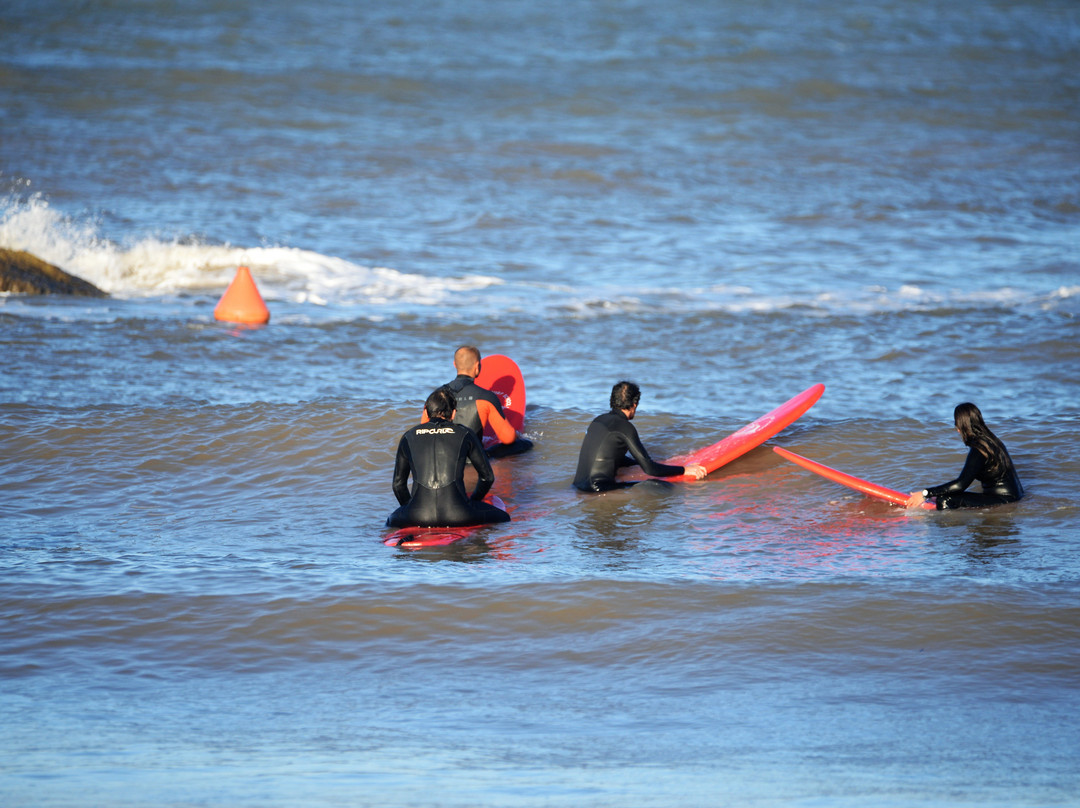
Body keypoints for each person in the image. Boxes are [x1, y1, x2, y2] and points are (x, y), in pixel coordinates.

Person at [388, 386, 511, 528]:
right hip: (459, 515)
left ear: (427, 413)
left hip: (417, 517)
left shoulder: (408, 436)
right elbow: (487, 477)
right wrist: (473, 501)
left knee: (390, 521)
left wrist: (410, 509)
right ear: (453, 413)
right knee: (504, 517)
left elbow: (398, 485)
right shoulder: (465, 434)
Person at [573, 380, 707, 492]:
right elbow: (650, 469)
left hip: (578, 486)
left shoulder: (598, 420)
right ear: (634, 405)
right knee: (663, 486)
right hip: (598, 489)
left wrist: (638, 462)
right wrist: (685, 470)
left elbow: (610, 456)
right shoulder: (625, 427)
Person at [907, 402, 1023, 510]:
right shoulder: (991, 442)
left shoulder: (979, 450)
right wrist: (936, 493)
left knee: (945, 500)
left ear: (963, 426)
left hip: (1004, 500)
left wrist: (924, 494)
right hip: (1012, 497)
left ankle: (940, 529)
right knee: (944, 496)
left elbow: (961, 484)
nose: (956, 428)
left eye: (956, 423)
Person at [422, 345, 533, 457]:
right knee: (526, 444)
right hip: (471, 459)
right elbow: (508, 439)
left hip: (440, 456)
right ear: (477, 366)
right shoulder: (486, 397)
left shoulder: (434, 396)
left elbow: (424, 431)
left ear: (455, 364)